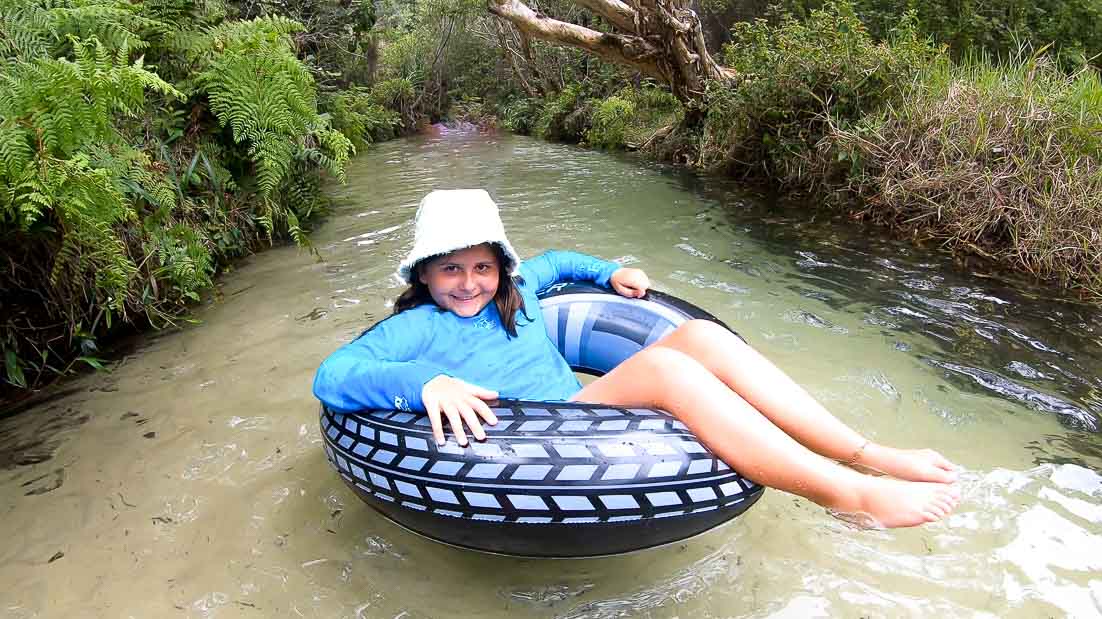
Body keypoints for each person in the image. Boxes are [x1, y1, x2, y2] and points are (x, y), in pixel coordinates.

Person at [314, 189, 960, 529]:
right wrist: (425, 381)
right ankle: (848, 495)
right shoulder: (417, 330)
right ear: (424, 274)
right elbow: (331, 374)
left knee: (703, 340)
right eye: (450, 268)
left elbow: (561, 259)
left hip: (583, 406)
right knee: (668, 369)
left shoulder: (523, 287)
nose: (468, 282)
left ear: (500, 265)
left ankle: (866, 453)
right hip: (540, 431)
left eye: (481, 266)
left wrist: (611, 271)